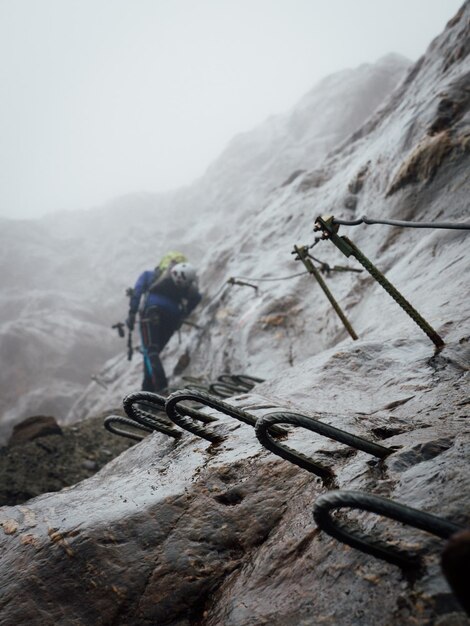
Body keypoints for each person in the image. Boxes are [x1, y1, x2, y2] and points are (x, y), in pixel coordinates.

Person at [126, 252, 202, 393]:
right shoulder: (182, 284)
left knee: (150, 352)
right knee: (152, 354)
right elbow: (197, 296)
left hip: (151, 314)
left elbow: (137, 293)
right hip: (172, 319)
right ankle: (147, 392)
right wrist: (184, 314)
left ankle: (161, 390)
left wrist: (132, 313)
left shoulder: (149, 275)